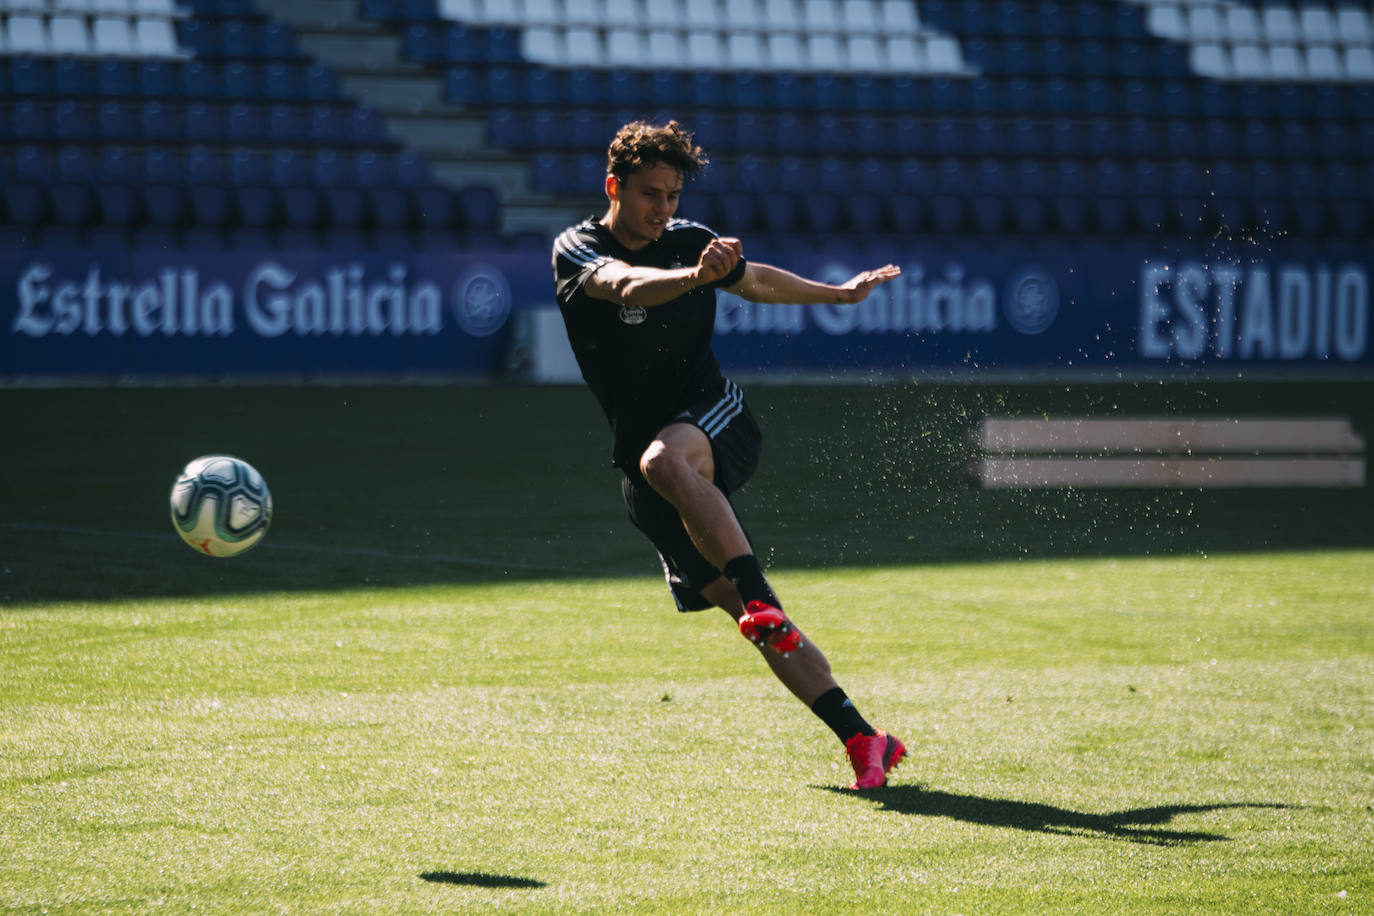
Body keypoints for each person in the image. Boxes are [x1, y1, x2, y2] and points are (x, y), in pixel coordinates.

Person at [551, 120, 904, 789]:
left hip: (715, 417)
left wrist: (841, 293)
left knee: (669, 467)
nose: (664, 208)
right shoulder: (578, 249)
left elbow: (757, 282)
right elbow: (626, 286)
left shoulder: (689, 241)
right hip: (643, 468)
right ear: (613, 187)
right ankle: (864, 737)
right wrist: (695, 275)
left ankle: (759, 592)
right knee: (752, 622)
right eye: (650, 194)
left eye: (673, 196)